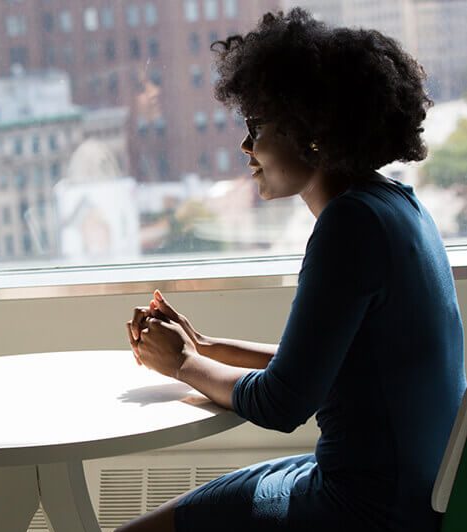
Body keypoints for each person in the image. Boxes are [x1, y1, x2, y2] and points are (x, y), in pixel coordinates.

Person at [120, 9, 466, 532]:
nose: (245, 146)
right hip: (399, 490)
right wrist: (205, 345)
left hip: (368, 510)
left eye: (256, 126)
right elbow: (325, 368)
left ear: (312, 134)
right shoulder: (396, 205)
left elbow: (283, 404)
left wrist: (183, 364)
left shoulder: (350, 228)